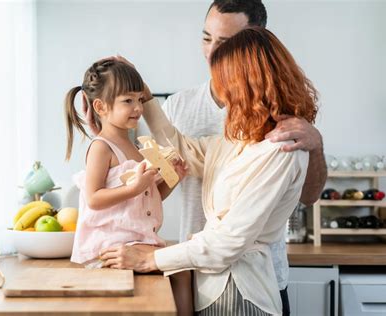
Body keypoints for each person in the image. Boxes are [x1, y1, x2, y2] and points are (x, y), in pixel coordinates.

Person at [101, 26, 319, 315]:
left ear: (249, 85)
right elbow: (182, 148)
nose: (222, 93)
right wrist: (146, 97)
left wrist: (150, 259)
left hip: (242, 293)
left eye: (225, 83)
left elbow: (228, 243)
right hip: (214, 289)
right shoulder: (242, 139)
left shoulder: (282, 149)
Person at [158, 1, 327, 314]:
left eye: (224, 43)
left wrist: (315, 146)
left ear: (254, 44)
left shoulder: (284, 137)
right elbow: (181, 154)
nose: (211, 52)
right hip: (195, 275)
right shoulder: (190, 111)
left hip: (249, 281)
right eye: (206, 38)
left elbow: (308, 196)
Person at [63, 59, 192, 315]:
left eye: (139, 99)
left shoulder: (135, 148)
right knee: (181, 268)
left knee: (182, 267)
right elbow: (94, 198)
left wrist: (173, 179)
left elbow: (147, 197)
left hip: (134, 241)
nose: (137, 108)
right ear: (100, 106)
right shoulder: (101, 147)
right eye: (128, 101)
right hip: (110, 245)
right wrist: (134, 188)